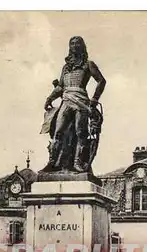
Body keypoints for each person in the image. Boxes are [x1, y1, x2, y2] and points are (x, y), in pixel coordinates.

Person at [42, 36, 106, 173]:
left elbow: (101, 81)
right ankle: (52, 162)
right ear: (69, 47)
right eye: (72, 44)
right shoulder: (66, 67)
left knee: (80, 132)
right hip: (66, 101)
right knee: (58, 132)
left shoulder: (88, 64)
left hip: (81, 102)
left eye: (77, 43)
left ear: (82, 46)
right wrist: (50, 98)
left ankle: (78, 162)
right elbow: (60, 87)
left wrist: (94, 99)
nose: (74, 46)